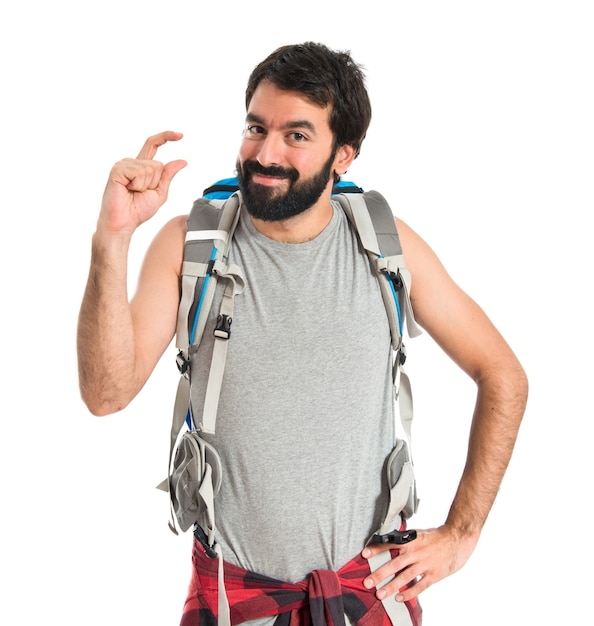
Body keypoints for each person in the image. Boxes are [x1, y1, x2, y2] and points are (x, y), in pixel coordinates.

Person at [77, 42, 528, 626]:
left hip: (367, 592)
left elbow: (504, 376)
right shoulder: (191, 246)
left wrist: (463, 533)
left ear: (343, 156)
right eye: (255, 127)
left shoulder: (386, 248)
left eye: (296, 135)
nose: (265, 153)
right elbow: (105, 393)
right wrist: (111, 239)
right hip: (232, 595)